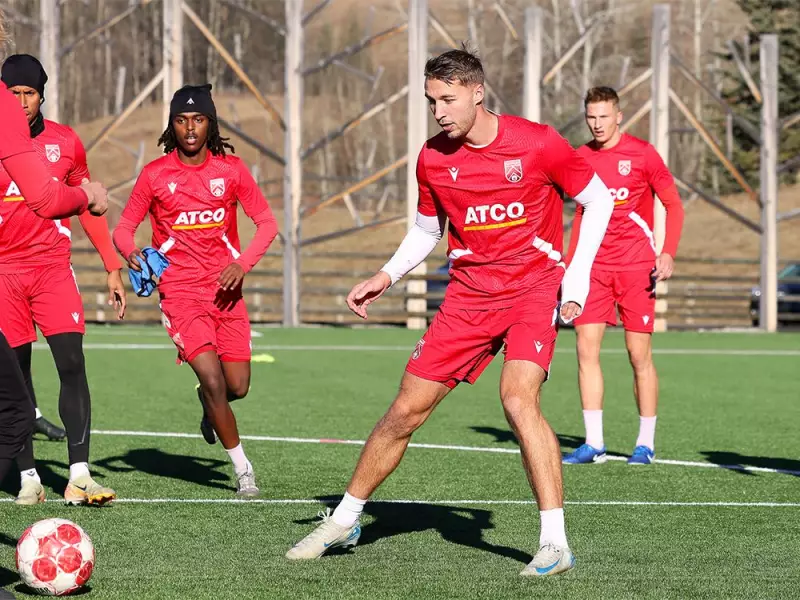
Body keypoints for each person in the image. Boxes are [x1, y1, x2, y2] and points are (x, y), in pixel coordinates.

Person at [286, 48, 613, 577]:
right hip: (467, 297)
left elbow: (599, 200)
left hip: (533, 290)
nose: (438, 110)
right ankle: (346, 518)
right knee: (404, 412)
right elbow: (427, 228)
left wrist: (574, 279)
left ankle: (554, 542)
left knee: (517, 400)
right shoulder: (433, 157)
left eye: (448, 99)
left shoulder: (537, 143)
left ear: (477, 93)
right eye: (431, 100)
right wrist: (385, 275)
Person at [113, 84, 278, 497]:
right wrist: (132, 254)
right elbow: (123, 229)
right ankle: (244, 471)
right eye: (182, 120)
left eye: (198, 119)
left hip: (226, 294)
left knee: (237, 386)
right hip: (181, 294)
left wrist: (242, 264)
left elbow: (268, 224)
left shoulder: (232, 170)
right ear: (172, 125)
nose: (190, 128)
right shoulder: (154, 175)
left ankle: (209, 406)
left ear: (211, 123)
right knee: (213, 378)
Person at [0, 54, 126, 506]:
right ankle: (29, 476)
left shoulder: (66, 143)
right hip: (4, 274)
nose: (20, 102)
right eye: (11, 94)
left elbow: (88, 206)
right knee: (16, 375)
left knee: (72, 363)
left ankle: (79, 475)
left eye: (28, 93)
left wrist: (111, 264)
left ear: (42, 94)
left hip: (53, 268)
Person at [562, 87, 684, 466]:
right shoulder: (579, 157)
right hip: (594, 268)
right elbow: (578, 216)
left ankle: (644, 443)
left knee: (638, 355)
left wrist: (667, 252)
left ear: (618, 116)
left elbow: (673, 203)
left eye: (603, 116)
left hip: (635, 267)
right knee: (585, 349)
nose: (597, 124)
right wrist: (569, 266)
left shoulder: (643, 154)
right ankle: (594, 442)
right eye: (591, 117)